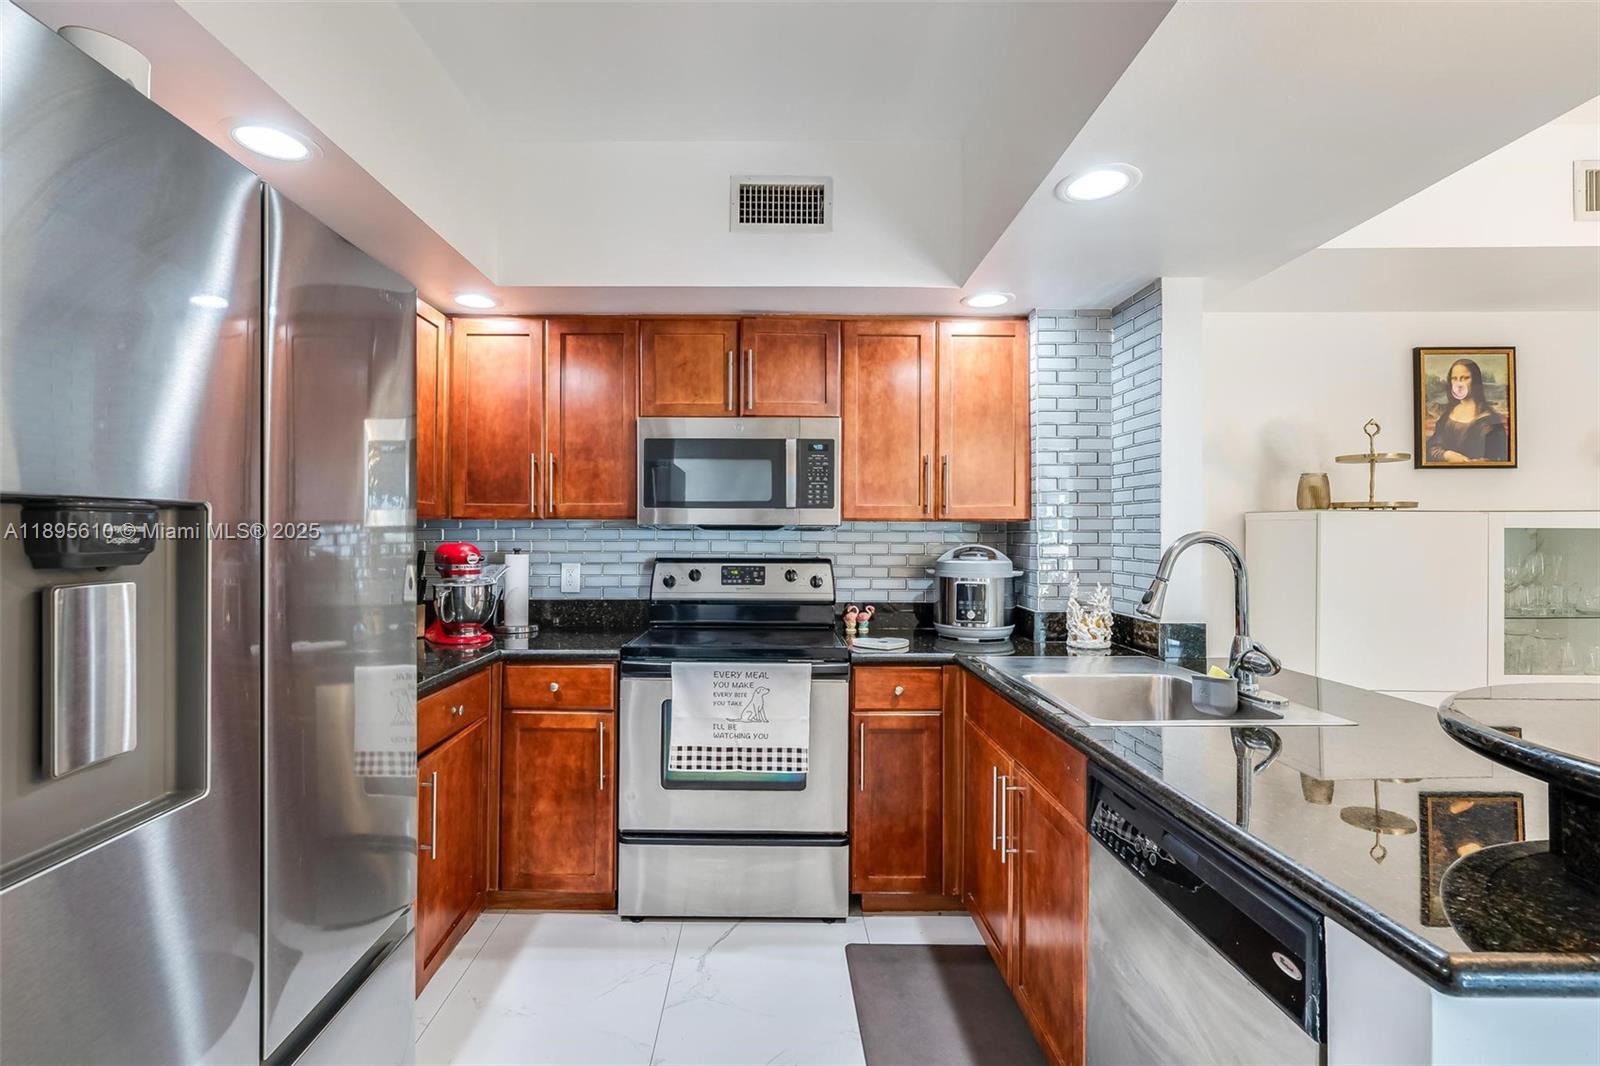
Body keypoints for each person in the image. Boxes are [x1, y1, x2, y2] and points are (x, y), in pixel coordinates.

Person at [1426, 358, 1508, 463]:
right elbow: (1431, 447)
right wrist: (1446, 455)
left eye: (1465, 378)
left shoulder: (1490, 420)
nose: (1459, 384)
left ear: (1475, 381)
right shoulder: (1446, 415)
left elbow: (1499, 458)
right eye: (1454, 378)